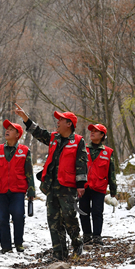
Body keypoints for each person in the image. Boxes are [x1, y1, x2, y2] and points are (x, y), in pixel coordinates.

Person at [14, 103, 87, 260]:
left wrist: (81, 185)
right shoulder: (54, 138)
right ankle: (59, 253)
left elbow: (82, 164)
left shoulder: (78, 141)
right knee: (53, 220)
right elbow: (38, 132)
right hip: (52, 186)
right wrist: (25, 118)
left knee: (69, 218)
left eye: (61, 119)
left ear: (69, 124)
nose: (57, 122)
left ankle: (77, 242)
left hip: (68, 187)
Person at [0, 120, 36, 253]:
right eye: (7, 129)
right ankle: (5, 246)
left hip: (18, 190)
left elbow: (29, 171)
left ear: (18, 134)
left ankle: (18, 243)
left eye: (11, 129)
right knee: (2, 218)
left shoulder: (24, 151)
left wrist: (31, 190)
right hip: (1, 189)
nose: (7, 131)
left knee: (18, 215)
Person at [80, 123, 117, 245]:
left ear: (102, 135)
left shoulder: (108, 152)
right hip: (84, 187)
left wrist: (113, 189)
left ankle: (97, 236)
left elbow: (111, 171)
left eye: (96, 131)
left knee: (97, 212)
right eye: (92, 130)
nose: (92, 132)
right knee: (83, 211)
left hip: (99, 187)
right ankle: (86, 235)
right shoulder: (83, 149)